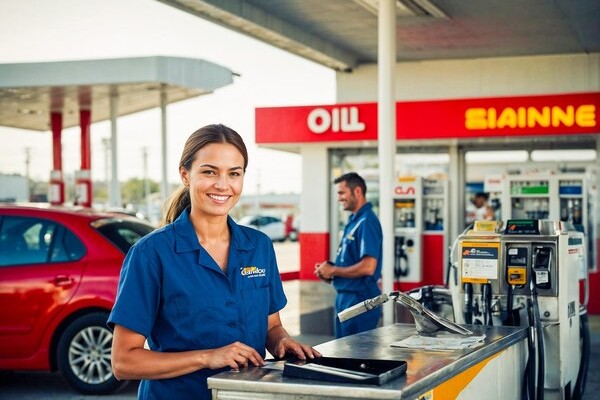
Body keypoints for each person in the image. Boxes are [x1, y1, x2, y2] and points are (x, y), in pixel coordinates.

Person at [108, 124, 320, 399]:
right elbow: (123, 362)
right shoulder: (151, 254)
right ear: (185, 175)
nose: (223, 185)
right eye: (209, 172)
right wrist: (207, 357)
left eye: (234, 173)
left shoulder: (259, 246)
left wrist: (282, 342)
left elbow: (270, 326)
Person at [314, 172, 383, 338]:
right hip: (346, 298)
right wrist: (329, 272)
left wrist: (334, 271)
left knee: (354, 359)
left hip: (359, 301)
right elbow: (350, 260)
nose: (339, 198)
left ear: (357, 192)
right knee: (343, 356)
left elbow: (368, 267)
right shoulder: (354, 220)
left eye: (342, 193)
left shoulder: (367, 221)